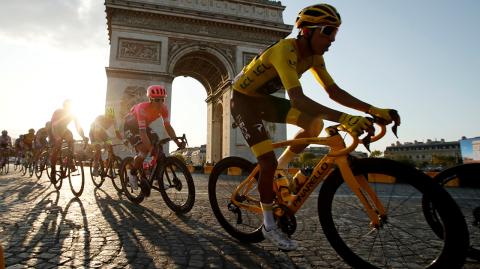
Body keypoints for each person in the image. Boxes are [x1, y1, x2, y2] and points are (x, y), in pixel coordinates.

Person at [230, 4, 399, 251]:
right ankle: (268, 225)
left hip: (264, 100)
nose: (332, 39)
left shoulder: (314, 58)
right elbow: (298, 99)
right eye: (327, 31)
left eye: (335, 33)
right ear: (307, 32)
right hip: (243, 100)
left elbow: (334, 92)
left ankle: (283, 168)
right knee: (267, 162)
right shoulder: (284, 50)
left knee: (315, 124)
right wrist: (345, 118)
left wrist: (372, 110)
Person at [123, 85, 185, 195]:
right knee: (144, 150)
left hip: (143, 127)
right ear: (150, 99)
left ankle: (156, 178)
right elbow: (142, 133)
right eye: (157, 100)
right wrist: (150, 148)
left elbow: (168, 126)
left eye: (162, 99)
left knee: (158, 144)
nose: (160, 102)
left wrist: (177, 141)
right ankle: (132, 173)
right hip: (131, 127)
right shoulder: (142, 108)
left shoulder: (164, 108)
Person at [50, 99, 88, 178]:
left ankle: (70, 161)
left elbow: (78, 127)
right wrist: (57, 137)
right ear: (64, 106)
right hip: (54, 129)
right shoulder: (58, 111)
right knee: (56, 148)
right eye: (67, 106)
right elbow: (53, 125)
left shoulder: (73, 114)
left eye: (70, 106)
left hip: (63, 129)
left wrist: (83, 136)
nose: (68, 108)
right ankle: (53, 170)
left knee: (70, 137)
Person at [89, 108, 122, 176]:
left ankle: (110, 169)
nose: (110, 120)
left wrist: (123, 140)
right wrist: (102, 143)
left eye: (111, 117)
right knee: (98, 149)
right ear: (105, 116)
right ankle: (95, 168)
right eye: (108, 118)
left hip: (103, 133)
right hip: (93, 133)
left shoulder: (113, 119)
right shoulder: (100, 119)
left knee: (110, 148)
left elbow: (117, 132)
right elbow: (96, 134)